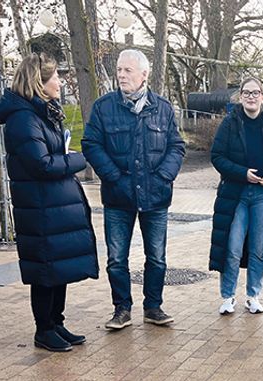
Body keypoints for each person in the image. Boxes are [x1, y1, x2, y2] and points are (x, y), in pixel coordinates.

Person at [0, 53, 98, 352]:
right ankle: (44, 328)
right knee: (45, 270)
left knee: (58, 267)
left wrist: (65, 156)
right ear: (40, 83)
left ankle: (57, 322)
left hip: (53, 206)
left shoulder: (41, 113)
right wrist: (78, 159)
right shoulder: (23, 118)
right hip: (39, 208)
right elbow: (42, 164)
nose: (60, 82)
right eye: (56, 78)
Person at [82, 49, 185, 331]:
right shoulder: (104, 107)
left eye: (127, 70)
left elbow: (177, 146)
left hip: (155, 197)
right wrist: (113, 176)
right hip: (118, 197)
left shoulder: (162, 108)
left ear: (144, 74)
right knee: (117, 258)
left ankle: (153, 307)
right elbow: (90, 143)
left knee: (157, 257)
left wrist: (164, 176)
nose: (121, 75)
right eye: (119, 70)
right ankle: (121, 309)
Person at [208, 77, 263, 314]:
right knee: (232, 246)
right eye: (247, 92)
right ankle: (228, 296)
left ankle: (253, 295)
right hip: (235, 194)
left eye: (256, 93)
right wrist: (242, 174)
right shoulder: (230, 123)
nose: (251, 97)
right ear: (240, 96)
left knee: (258, 247)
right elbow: (217, 156)